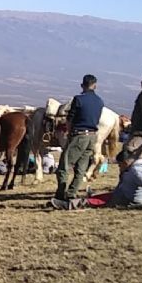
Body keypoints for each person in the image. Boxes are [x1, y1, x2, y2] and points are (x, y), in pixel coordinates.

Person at [54, 74, 105, 202]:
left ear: (82, 85)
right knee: (81, 168)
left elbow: (70, 119)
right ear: (95, 85)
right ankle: (72, 193)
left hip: (79, 135)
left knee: (64, 166)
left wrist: (70, 133)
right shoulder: (100, 101)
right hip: (92, 137)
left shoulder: (78, 99)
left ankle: (60, 194)